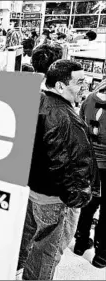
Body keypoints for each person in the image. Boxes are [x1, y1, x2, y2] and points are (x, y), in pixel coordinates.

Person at [17, 60, 99, 280]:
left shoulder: (35, 101)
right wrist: (78, 199)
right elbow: (72, 166)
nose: (85, 86)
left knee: (28, 244)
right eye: (79, 82)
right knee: (46, 254)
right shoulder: (67, 119)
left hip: (31, 192)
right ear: (61, 86)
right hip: (54, 200)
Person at [74, 79, 106, 269]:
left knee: (89, 203)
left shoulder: (89, 99)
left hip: (89, 161)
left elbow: (80, 125)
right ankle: (101, 255)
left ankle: (80, 242)